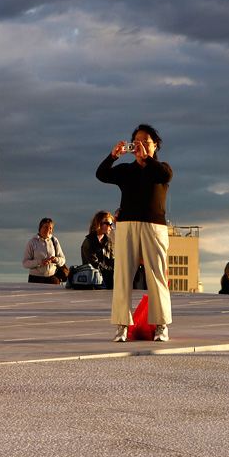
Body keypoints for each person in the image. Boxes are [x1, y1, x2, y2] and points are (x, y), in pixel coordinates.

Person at [96, 124, 173, 342]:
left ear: (155, 145)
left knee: (157, 276)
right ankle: (122, 326)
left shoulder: (160, 168)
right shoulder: (126, 170)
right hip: (127, 226)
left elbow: (166, 175)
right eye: (136, 141)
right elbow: (101, 174)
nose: (140, 144)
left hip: (154, 227)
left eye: (145, 141)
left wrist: (147, 158)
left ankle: (161, 326)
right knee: (122, 277)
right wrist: (113, 156)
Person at [23, 218, 68, 284]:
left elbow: (63, 260)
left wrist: (56, 259)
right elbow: (25, 263)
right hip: (35, 279)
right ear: (40, 228)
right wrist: (40, 262)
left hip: (52, 278)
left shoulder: (54, 241)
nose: (48, 230)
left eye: (50, 228)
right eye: (46, 227)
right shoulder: (32, 242)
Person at [81, 210, 115, 288]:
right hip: (93, 280)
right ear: (99, 224)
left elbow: (111, 259)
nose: (111, 227)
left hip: (108, 278)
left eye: (111, 224)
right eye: (108, 224)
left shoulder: (108, 241)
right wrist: (111, 270)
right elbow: (94, 264)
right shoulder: (89, 241)